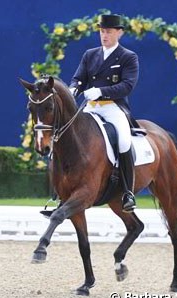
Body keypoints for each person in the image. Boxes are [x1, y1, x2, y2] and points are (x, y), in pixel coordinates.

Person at [69, 14, 139, 213]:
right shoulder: (90, 54)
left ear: (119, 32)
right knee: (67, 132)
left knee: (124, 141)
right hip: (91, 106)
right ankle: (61, 188)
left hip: (113, 106)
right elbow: (78, 78)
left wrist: (101, 91)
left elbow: (127, 85)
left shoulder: (128, 57)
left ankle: (127, 192)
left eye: (108, 31)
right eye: (102, 31)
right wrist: (73, 89)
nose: (104, 35)